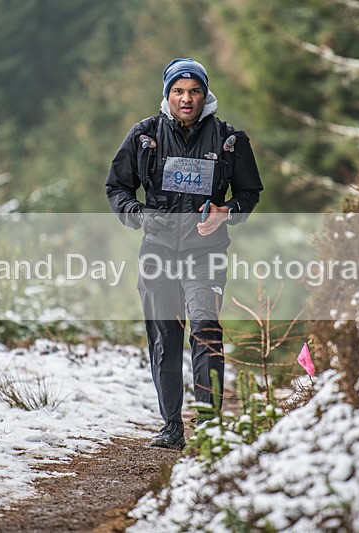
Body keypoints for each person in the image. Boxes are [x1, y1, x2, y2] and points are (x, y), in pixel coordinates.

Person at [106, 58, 263, 449]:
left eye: (194, 91)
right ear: (167, 94)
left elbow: (249, 193)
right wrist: (137, 214)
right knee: (164, 335)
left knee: (205, 330)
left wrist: (226, 212)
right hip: (157, 250)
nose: (187, 98)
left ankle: (209, 423)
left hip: (206, 252)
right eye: (179, 91)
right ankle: (172, 424)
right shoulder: (144, 136)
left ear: (205, 94)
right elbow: (117, 187)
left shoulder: (230, 139)